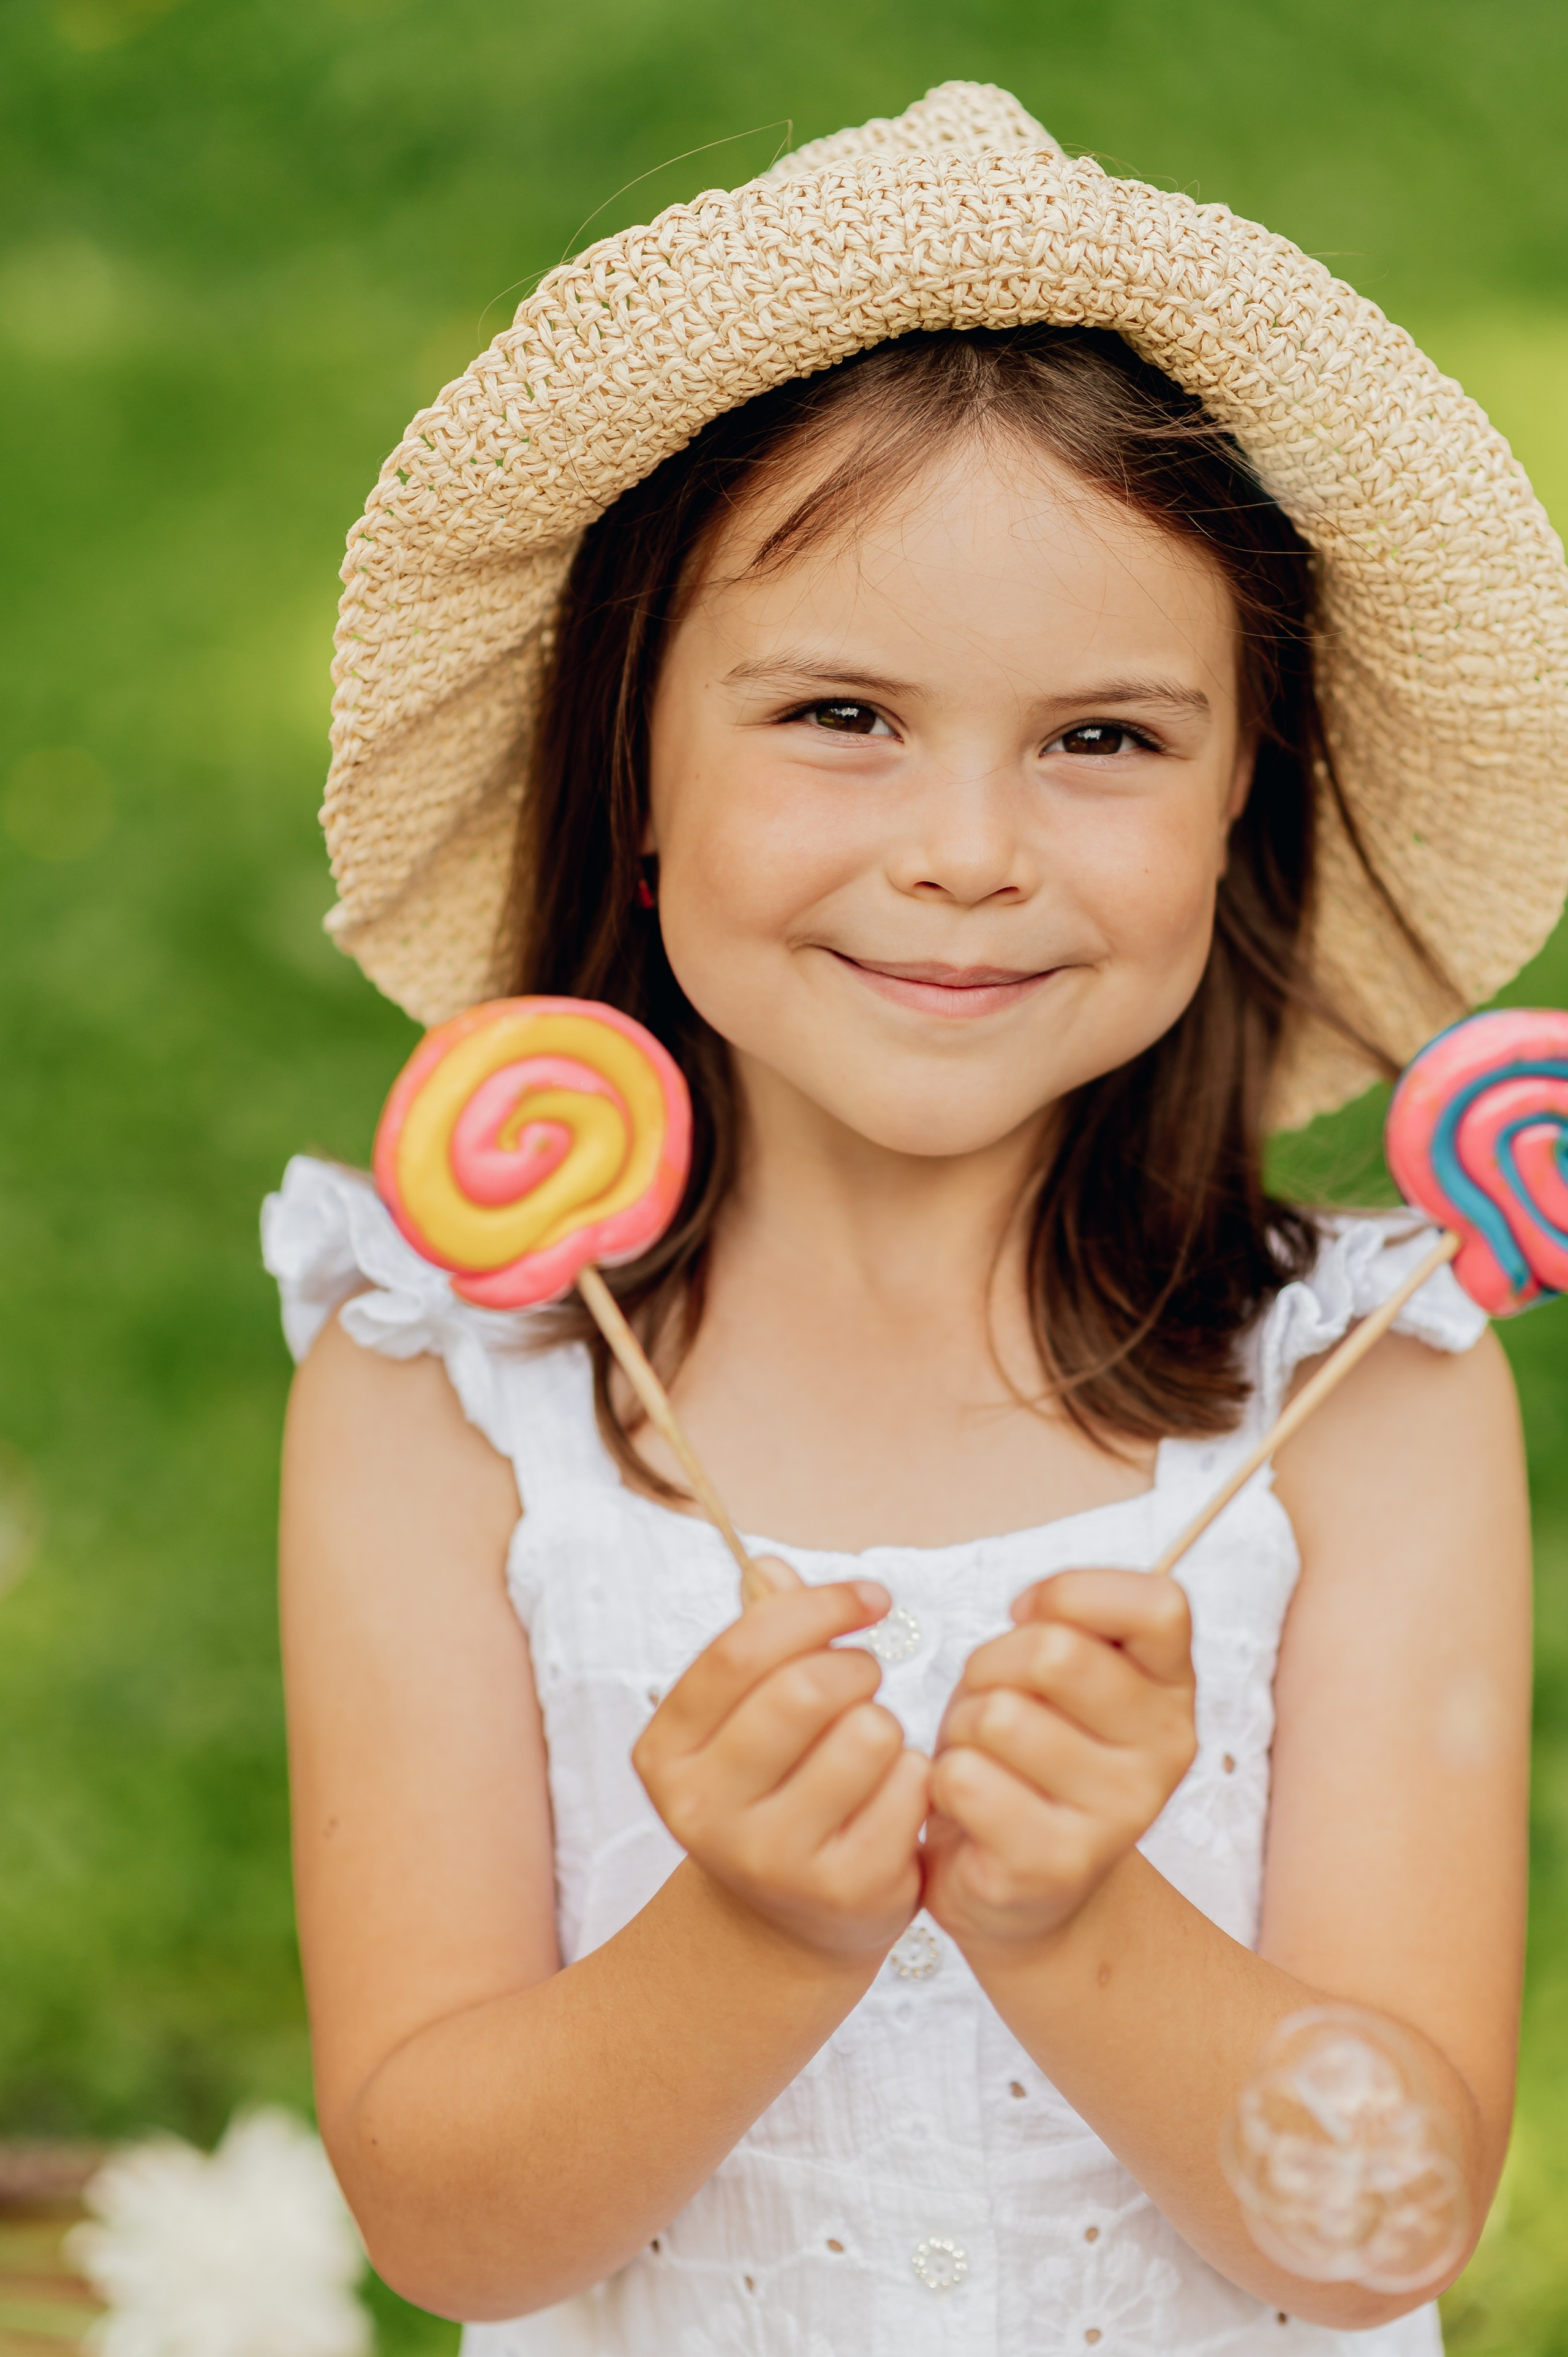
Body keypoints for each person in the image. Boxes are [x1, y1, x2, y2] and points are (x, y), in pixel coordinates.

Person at [263, 83, 1567, 2356]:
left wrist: (1081, 1925)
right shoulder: (444, 1398)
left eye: (1105, 741)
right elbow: (455, 2234)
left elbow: (1385, 2228)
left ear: (1244, 790)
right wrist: (751, 1932)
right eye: (842, 713)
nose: (966, 847)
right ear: (634, 776)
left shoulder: (1366, 1401)